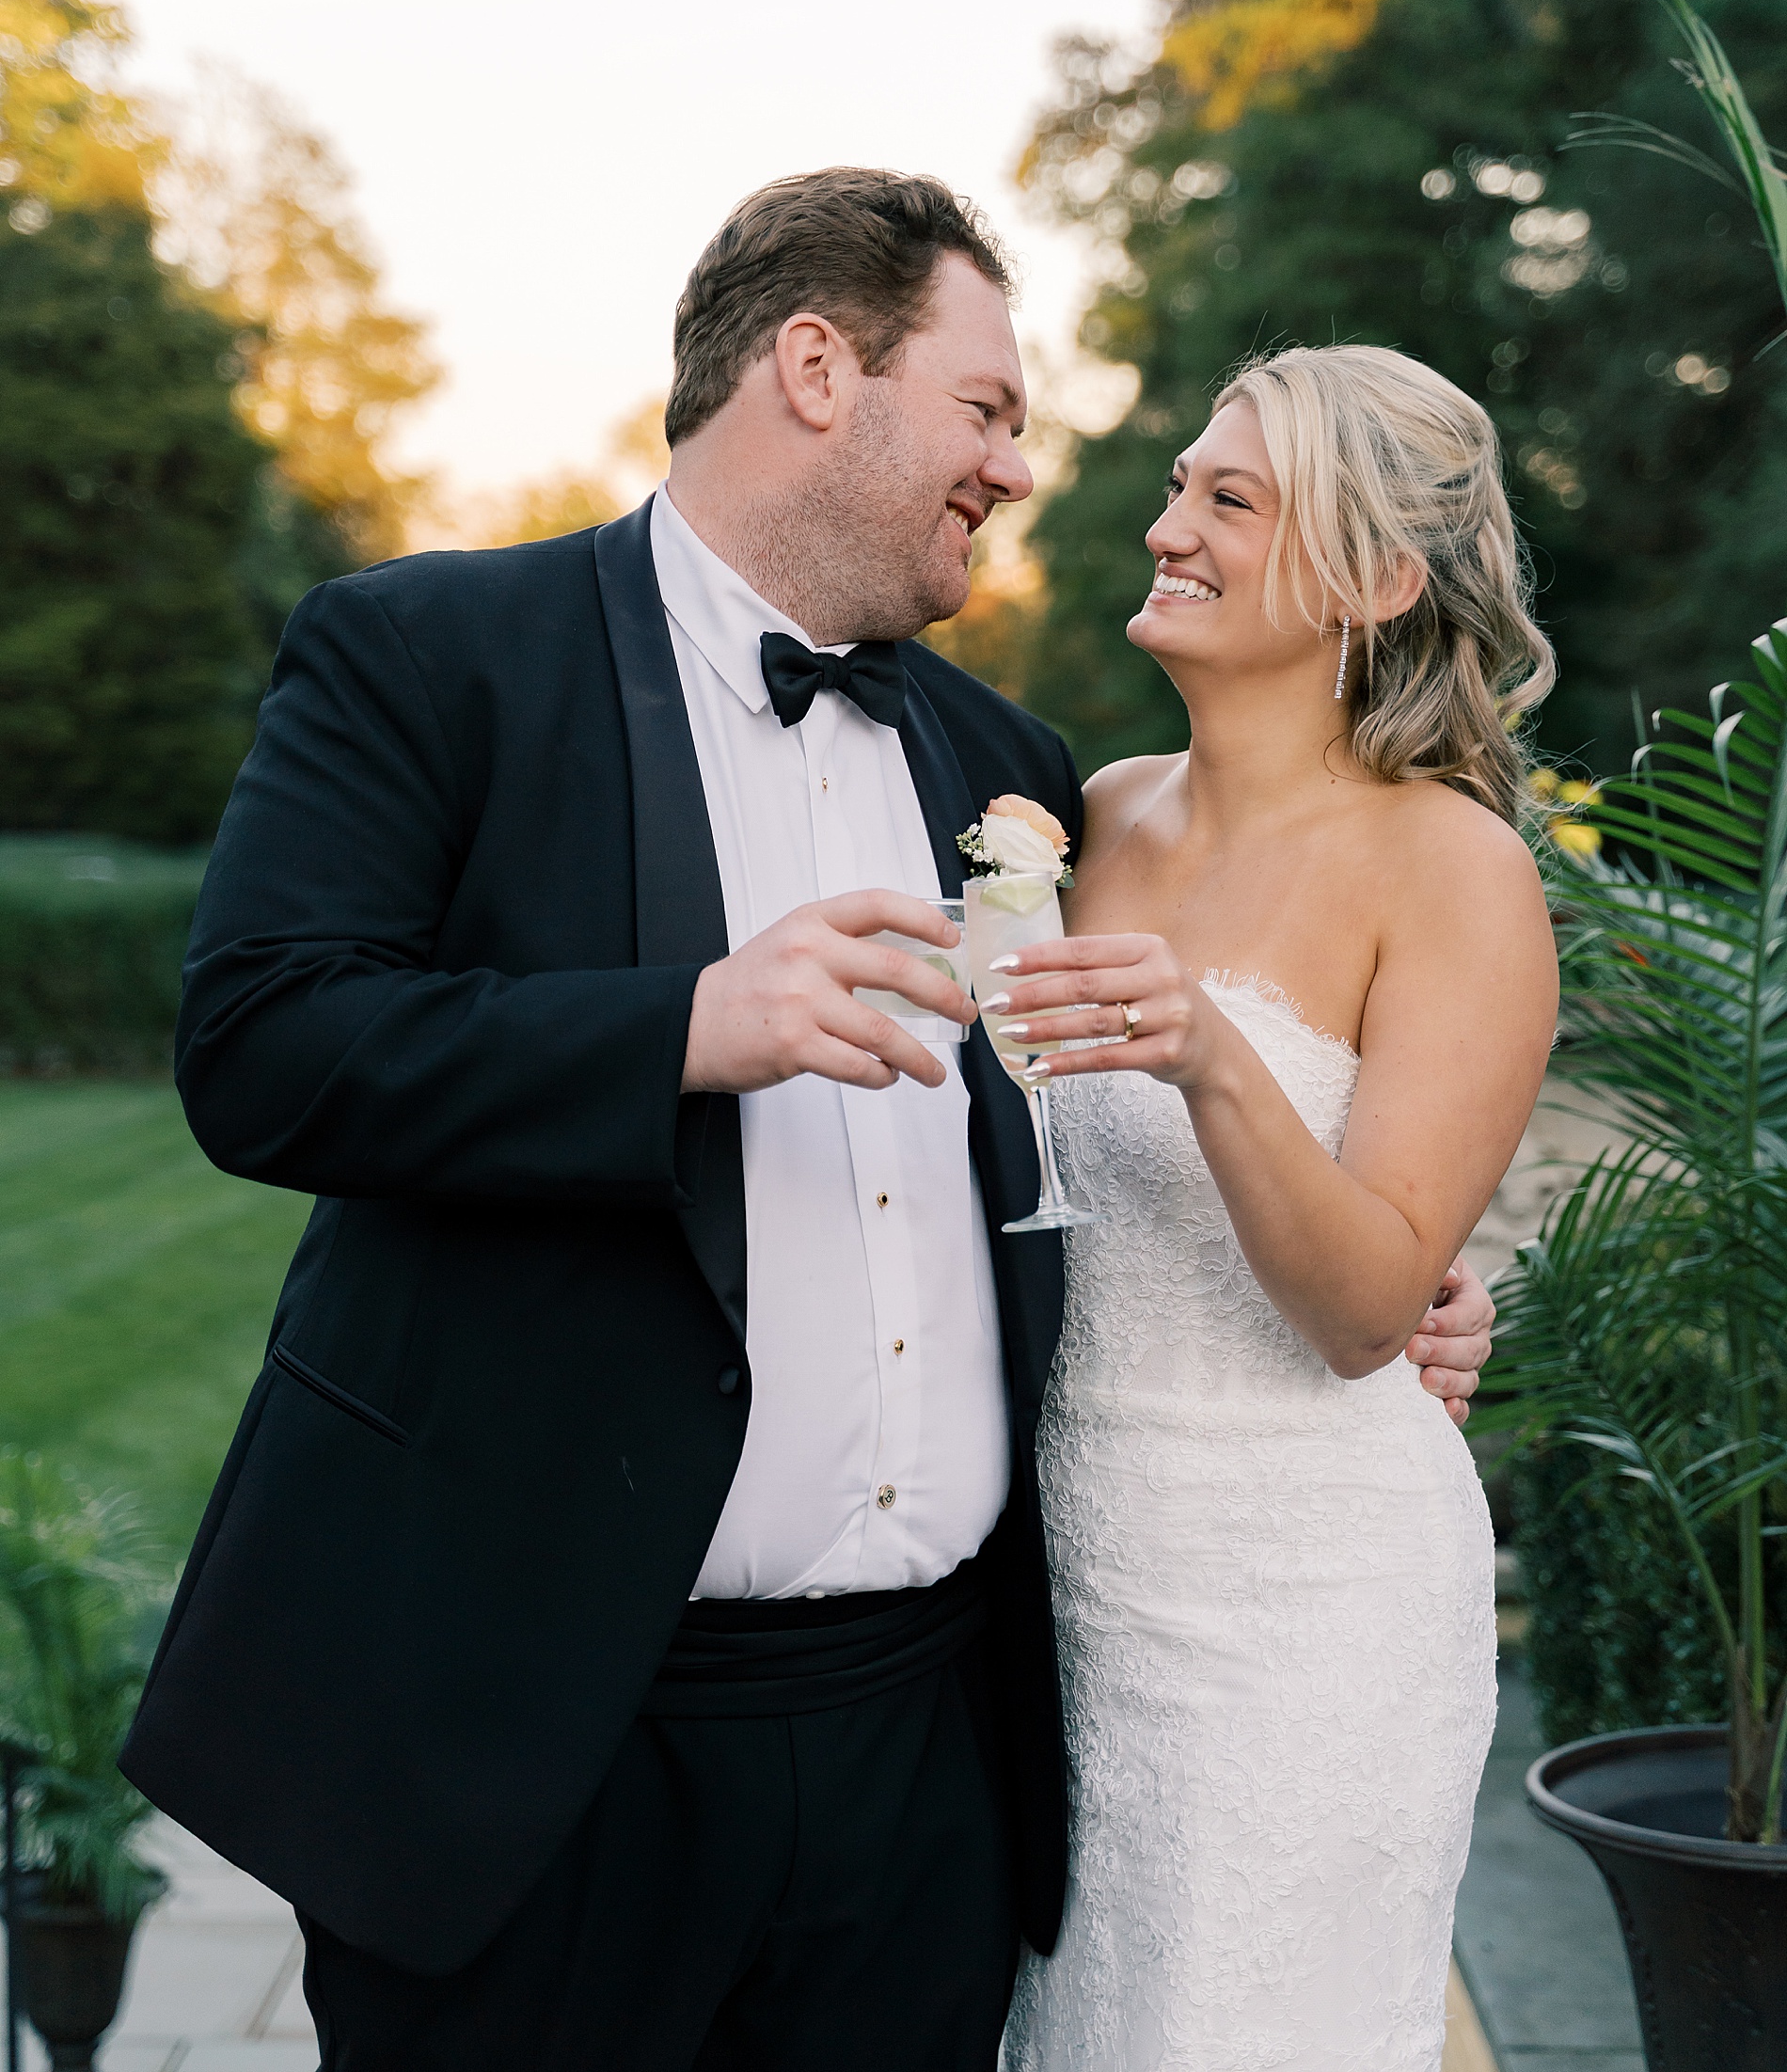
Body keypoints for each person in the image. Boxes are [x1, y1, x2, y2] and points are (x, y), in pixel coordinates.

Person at [120, 178, 1495, 2070]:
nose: (1020, 471)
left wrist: (1398, 1292)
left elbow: (1098, 1154)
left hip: (928, 1754)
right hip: (540, 1742)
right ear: (818, 369)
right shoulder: (430, 653)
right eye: (987, 409)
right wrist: (688, 1026)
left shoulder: (1011, 772)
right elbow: (261, 1043)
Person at [994, 344, 1558, 2070]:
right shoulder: (1091, 819)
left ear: (1376, 581)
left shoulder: (1453, 869)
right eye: (1183, 485)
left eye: (1230, 499)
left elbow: (1368, 1308)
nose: (1168, 527)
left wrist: (1215, 1059)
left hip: (1311, 1603)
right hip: (1069, 1585)